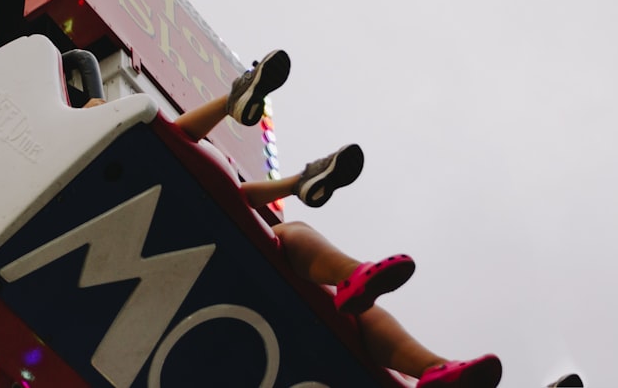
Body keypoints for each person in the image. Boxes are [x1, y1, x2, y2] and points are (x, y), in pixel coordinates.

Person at [89, 49, 502, 388]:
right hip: (143, 201)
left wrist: (292, 186)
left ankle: (432, 367)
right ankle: (247, 118)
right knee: (278, 224)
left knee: (349, 307)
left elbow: (229, 195)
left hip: (190, 218)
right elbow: (159, 141)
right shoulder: (92, 139)